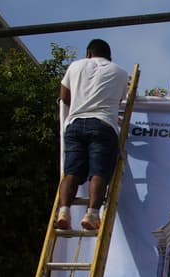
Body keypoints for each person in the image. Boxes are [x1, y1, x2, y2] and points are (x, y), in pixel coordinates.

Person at [55, 39, 129, 232]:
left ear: (88, 53)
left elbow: (64, 96)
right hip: (104, 125)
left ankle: (63, 211)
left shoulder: (75, 66)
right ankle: (92, 214)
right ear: (109, 57)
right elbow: (119, 100)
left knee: (71, 172)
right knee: (99, 173)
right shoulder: (120, 72)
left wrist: (80, 103)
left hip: (75, 123)